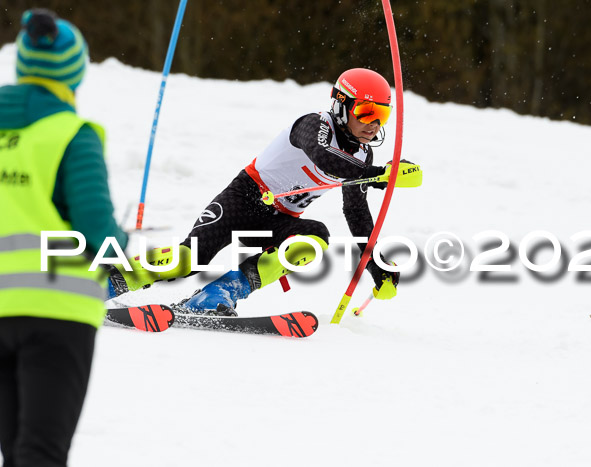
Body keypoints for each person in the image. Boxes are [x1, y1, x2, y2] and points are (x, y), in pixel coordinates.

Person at [107, 67, 416, 313]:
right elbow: (324, 157)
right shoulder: (312, 125)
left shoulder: (362, 157)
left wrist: (376, 265)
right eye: (365, 112)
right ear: (340, 104)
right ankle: (109, 280)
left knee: (313, 239)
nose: (373, 124)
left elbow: (356, 212)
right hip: (242, 200)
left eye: (382, 115)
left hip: (276, 220)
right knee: (188, 261)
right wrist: (377, 175)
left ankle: (220, 293)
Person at [0, 9, 127, 467]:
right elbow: (97, 232)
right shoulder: (72, 135)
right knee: (40, 453)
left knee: (15, 451)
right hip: (57, 315)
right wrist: (122, 241)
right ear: (75, 73)